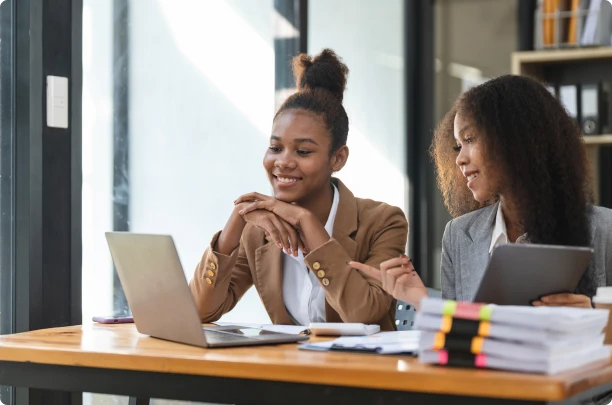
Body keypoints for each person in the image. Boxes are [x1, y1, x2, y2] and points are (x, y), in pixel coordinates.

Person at [350, 75, 612, 310]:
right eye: (457, 146)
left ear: (516, 139)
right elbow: (458, 345)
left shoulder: (605, 230)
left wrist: (594, 318)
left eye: (470, 139)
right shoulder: (458, 236)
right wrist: (423, 302)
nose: (459, 159)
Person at [189, 49, 407, 330]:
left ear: (338, 158)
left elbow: (362, 312)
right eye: (275, 148)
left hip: (362, 372)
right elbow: (200, 311)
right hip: (289, 370)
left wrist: (306, 222)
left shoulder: (383, 222)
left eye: (303, 151)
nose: (283, 162)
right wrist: (237, 222)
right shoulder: (258, 230)